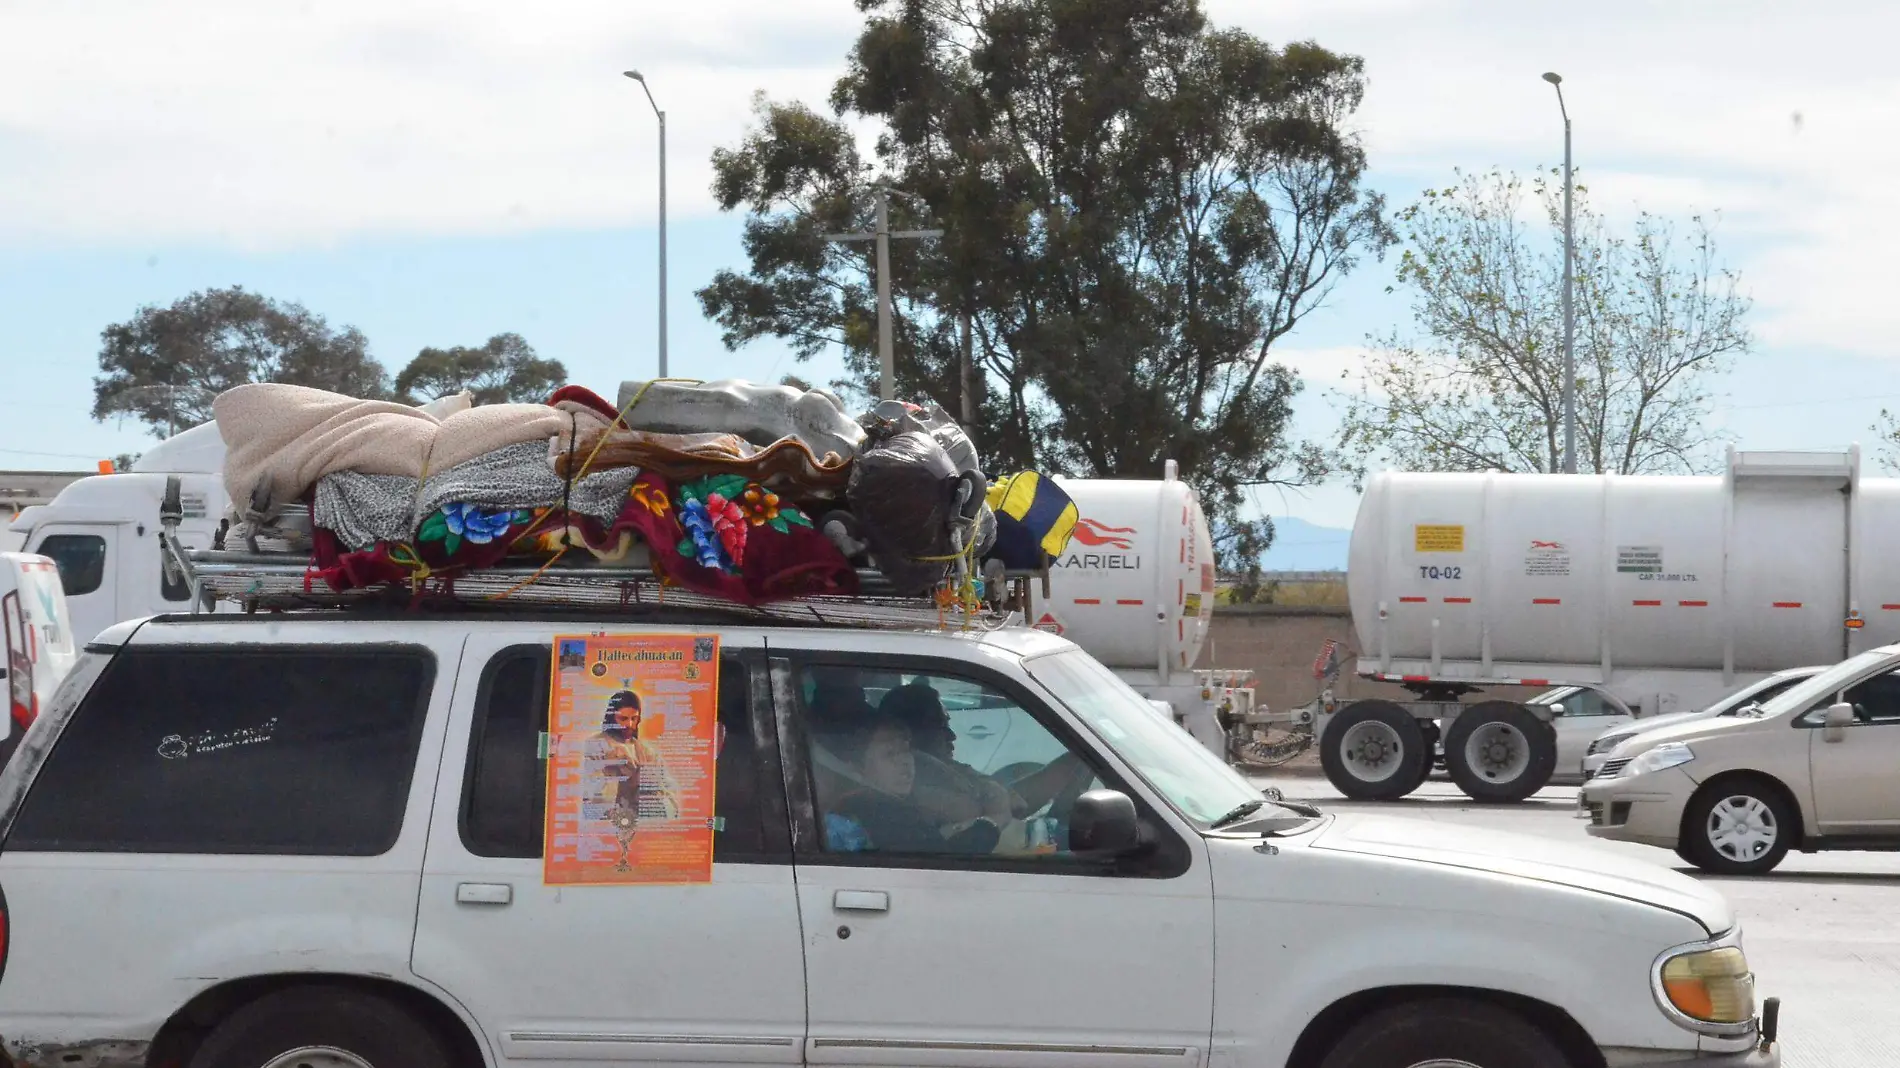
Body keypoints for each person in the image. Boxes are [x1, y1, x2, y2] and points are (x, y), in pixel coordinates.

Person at [824, 712, 1002, 855]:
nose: (904, 761)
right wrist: (993, 821)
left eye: (905, 751)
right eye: (890, 754)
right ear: (857, 767)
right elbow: (942, 864)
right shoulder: (879, 811)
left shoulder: (856, 805)